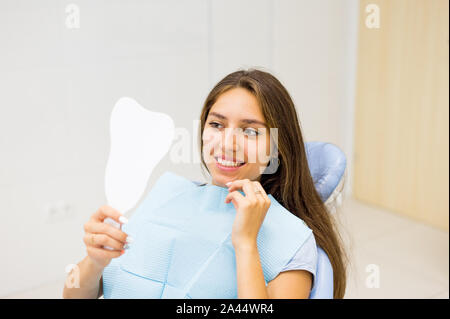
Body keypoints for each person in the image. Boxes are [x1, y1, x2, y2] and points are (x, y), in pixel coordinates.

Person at [63, 68, 347, 299]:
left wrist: (246, 243)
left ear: (276, 147)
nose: (227, 143)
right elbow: (73, 297)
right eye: (217, 125)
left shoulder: (292, 241)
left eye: (250, 131)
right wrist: (95, 261)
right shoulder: (168, 193)